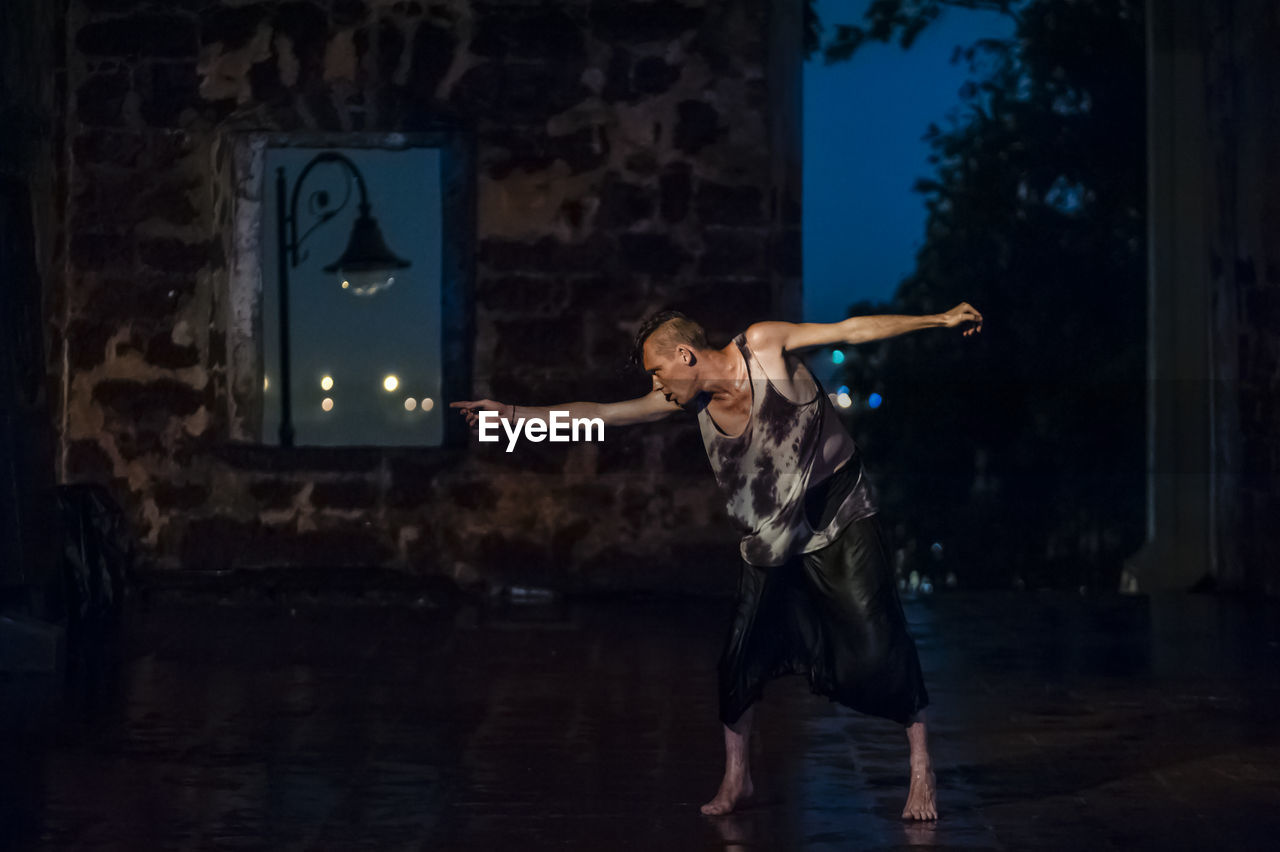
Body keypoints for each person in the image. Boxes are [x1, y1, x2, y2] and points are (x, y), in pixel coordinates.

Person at [451, 303, 983, 819]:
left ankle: (920, 769)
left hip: (838, 513)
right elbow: (601, 416)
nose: (655, 388)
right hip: (770, 537)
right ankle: (738, 779)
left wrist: (937, 319)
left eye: (657, 373)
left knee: (878, 642)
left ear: (686, 356)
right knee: (737, 662)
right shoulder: (684, 402)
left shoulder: (764, 345)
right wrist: (514, 419)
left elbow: (852, 330)